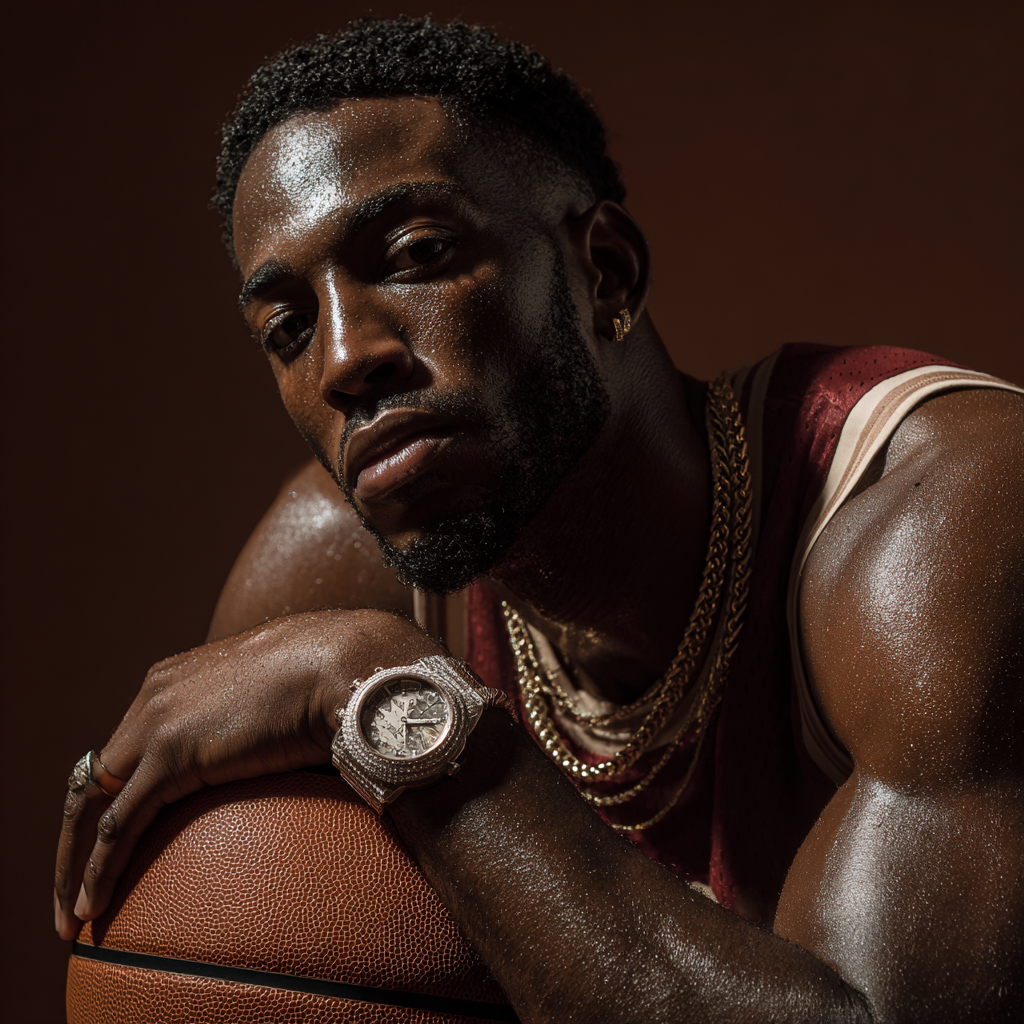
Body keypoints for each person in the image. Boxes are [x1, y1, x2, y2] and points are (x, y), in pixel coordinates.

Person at [54, 18, 1022, 1022]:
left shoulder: (938, 518)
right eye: (288, 328)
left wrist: (400, 708)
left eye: (417, 254)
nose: (344, 360)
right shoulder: (330, 584)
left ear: (605, 270)